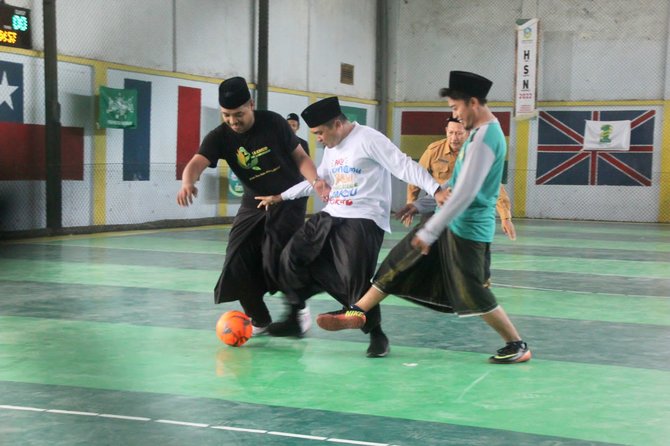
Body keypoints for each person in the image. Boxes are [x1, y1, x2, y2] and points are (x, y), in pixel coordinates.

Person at [316, 71, 531, 364]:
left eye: (456, 108)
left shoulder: (484, 140)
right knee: (397, 263)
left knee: (473, 291)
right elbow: (454, 187)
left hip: (467, 229)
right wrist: (421, 206)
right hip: (447, 219)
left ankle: (516, 344)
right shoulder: (479, 134)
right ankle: (357, 312)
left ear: (472, 102)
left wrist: (430, 232)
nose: (454, 115)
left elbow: (466, 194)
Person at [255, 96, 448, 357]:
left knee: (353, 281)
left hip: (363, 219)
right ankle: (294, 316)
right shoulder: (332, 147)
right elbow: (320, 179)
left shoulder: (369, 139)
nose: (318, 139)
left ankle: (377, 335)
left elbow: (402, 165)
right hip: (331, 214)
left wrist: (435, 189)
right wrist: (281, 196)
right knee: (290, 257)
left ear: (337, 124)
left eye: (320, 133)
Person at [177, 76, 327, 336]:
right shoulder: (220, 137)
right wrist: (187, 182)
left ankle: (298, 310)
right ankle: (259, 318)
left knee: (276, 257)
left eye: (239, 114)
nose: (233, 121)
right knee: (236, 262)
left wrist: (316, 181)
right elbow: (197, 162)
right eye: (227, 115)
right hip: (254, 201)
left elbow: (301, 157)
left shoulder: (273, 123)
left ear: (251, 105)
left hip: (287, 198)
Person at [404, 117, 516, 243]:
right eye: (451, 133)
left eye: (459, 133)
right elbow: (417, 178)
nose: (454, 138)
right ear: (446, 131)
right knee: (425, 245)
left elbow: (494, 186)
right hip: (435, 205)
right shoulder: (434, 151)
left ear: (468, 132)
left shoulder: (477, 154)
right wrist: (411, 203)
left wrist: (505, 217)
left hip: (463, 210)